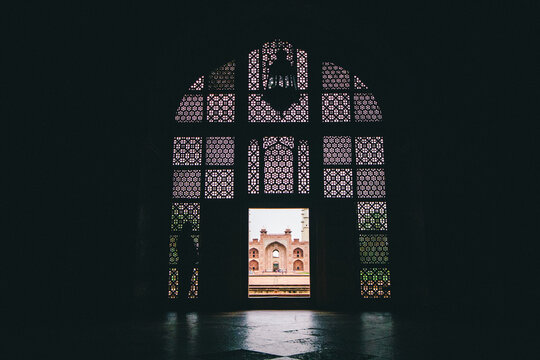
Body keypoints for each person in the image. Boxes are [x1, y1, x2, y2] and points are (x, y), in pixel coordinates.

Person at [177, 222, 196, 299]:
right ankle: (183, 302)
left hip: (182, 263)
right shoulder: (188, 239)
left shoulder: (181, 238)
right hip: (187, 264)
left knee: (182, 284)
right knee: (185, 284)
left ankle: (181, 302)